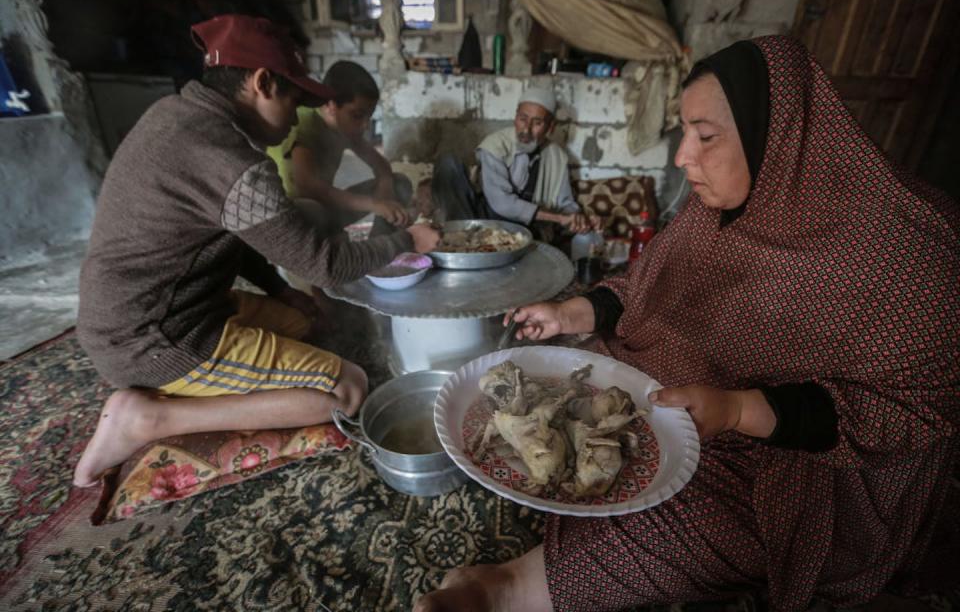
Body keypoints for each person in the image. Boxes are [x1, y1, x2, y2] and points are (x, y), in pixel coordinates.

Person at [414, 36, 959, 611]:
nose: (680, 157)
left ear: (778, 137)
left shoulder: (911, 256)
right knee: (560, 387)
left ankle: (504, 593)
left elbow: (915, 405)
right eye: (684, 132)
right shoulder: (716, 211)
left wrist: (740, 409)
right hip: (679, 382)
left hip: (788, 456)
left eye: (706, 136)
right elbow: (644, 282)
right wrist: (570, 313)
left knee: (691, 519)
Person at [73, 14, 439, 489]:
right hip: (154, 338)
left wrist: (281, 290)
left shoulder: (173, 115)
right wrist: (409, 242)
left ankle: (184, 386)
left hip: (166, 311)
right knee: (347, 388)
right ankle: (147, 418)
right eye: (293, 100)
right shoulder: (234, 162)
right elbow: (325, 265)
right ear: (263, 83)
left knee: (309, 324)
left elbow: (230, 237)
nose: (295, 117)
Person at [267, 60, 412, 236]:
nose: (365, 125)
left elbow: (381, 166)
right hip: (292, 214)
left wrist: (385, 190)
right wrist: (373, 204)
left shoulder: (347, 129)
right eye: (357, 115)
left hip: (327, 209)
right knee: (313, 209)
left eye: (369, 116)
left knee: (400, 183)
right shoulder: (305, 121)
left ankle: (379, 241)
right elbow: (308, 187)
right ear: (330, 106)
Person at [431, 86, 597, 238]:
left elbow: (566, 204)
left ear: (550, 127)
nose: (526, 129)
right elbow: (501, 203)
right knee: (448, 163)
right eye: (523, 119)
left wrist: (578, 219)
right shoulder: (495, 145)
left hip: (527, 229)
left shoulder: (558, 157)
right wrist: (557, 217)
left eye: (537, 123)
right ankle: (461, 239)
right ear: (515, 116)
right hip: (484, 219)